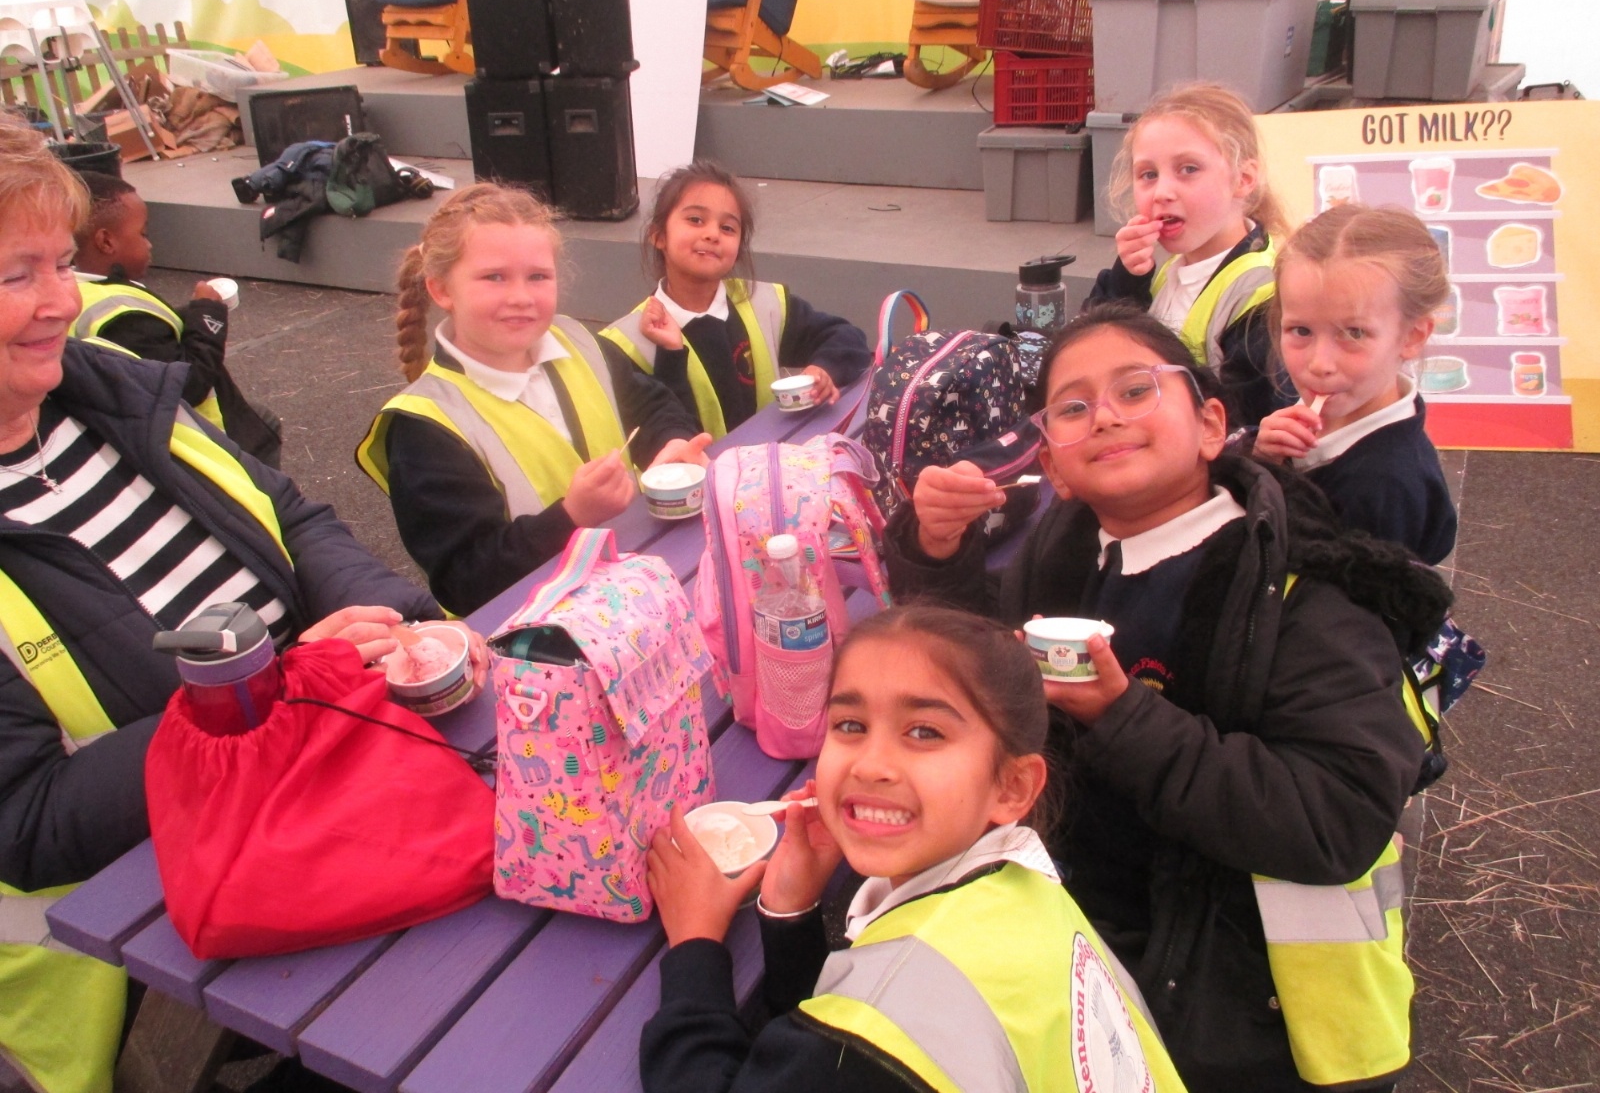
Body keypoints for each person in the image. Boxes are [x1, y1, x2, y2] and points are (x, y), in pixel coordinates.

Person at [0, 114, 468, 1093]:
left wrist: (399, 623)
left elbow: (290, 517)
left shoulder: (107, 390)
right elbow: (28, 822)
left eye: (62, 263)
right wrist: (271, 692)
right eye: (16, 276)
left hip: (328, 768)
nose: (62, 301)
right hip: (148, 944)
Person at [886, 303, 1454, 1092]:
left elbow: (1337, 817)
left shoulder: (1295, 588)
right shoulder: (1065, 552)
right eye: (1073, 408)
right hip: (1087, 942)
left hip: (1243, 1005)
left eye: (1135, 390)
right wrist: (937, 548)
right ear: (1053, 466)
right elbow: (982, 672)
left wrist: (1120, 718)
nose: (1105, 417)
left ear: (1213, 424)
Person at [640, 604, 1188, 1092]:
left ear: (1012, 787)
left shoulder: (881, 1020)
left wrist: (694, 945)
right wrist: (790, 909)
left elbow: (848, 1051)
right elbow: (824, 1053)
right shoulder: (1027, 887)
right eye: (850, 724)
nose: (871, 765)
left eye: (924, 732)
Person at [357, 182, 712, 617]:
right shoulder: (424, 426)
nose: (521, 298)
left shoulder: (579, 343)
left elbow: (651, 406)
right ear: (442, 290)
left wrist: (672, 442)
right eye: (494, 277)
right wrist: (571, 516)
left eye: (538, 276)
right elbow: (464, 580)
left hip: (635, 594)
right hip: (533, 633)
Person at [601, 160, 870, 437]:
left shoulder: (764, 303)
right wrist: (671, 355)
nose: (712, 234)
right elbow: (664, 430)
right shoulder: (625, 343)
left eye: (728, 228)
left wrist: (823, 369)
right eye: (695, 220)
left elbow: (847, 337)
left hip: (771, 460)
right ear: (658, 236)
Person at [1250, 204, 1457, 565]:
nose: (1320, 364)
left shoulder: (1383, 488)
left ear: (1412, 336)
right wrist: (1264, 461)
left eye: (1354, 333)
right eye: (1301, 330)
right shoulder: (1316, 412)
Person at [1086, 82, 1291, 429]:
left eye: (1188, 169)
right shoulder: (1174, 267)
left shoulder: (1262, 294)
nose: (1162, 192)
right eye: (1148, 175)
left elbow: (1249, 420)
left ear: (1243, 179)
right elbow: (1094, 348)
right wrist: (1127, 281)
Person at [69, 171, 283, 467]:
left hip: (145, 433)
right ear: (106, 241)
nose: (149, 245)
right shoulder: (122, 316)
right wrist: (207, 315)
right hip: (206, 446)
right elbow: (189, 383)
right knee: (264, 433)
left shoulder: (77, 290)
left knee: (262, 418)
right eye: (143, 234)